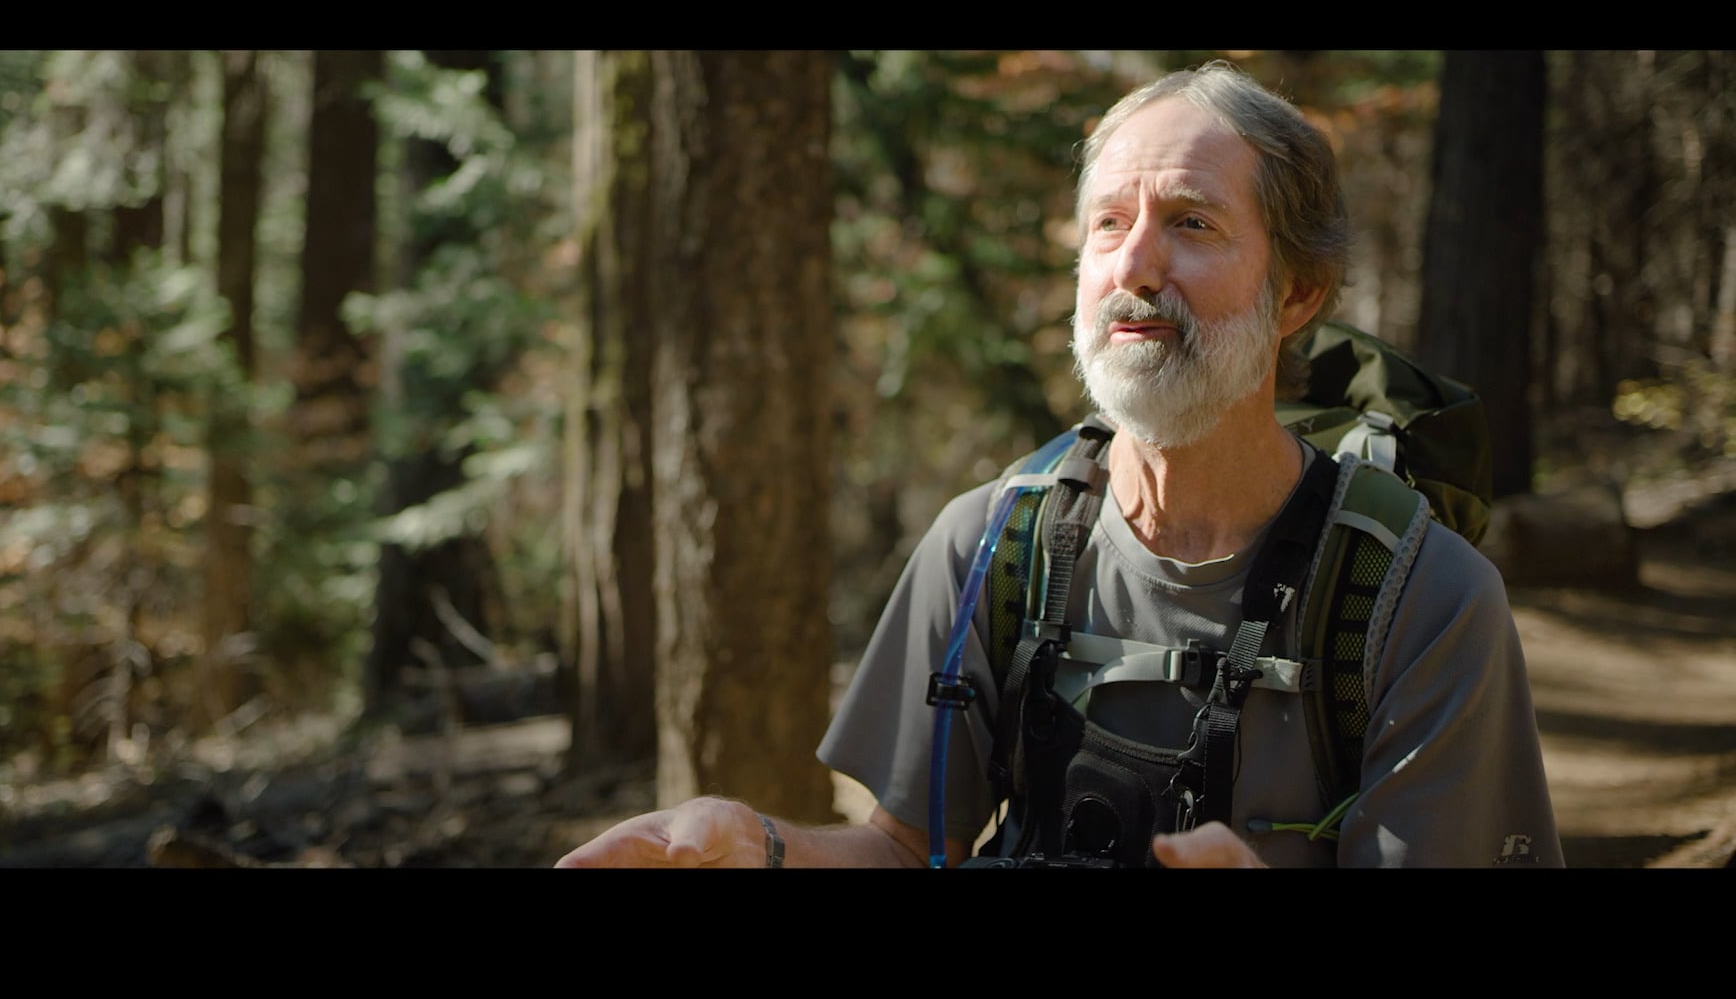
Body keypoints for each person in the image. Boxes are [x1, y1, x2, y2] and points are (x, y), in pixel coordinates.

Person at [556, 60, 1564, 869]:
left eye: (1191, 223)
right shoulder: (993, 542)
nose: (1134, 266)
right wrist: (762, 846)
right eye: (1108, 227)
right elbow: (907, 848)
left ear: (1297, 294)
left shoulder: (1421, 601)